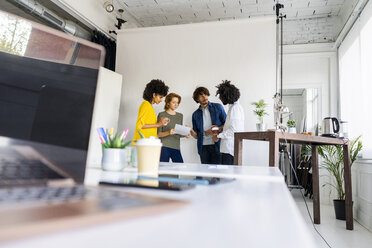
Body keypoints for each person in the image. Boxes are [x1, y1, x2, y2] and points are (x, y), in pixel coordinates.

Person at [190, 86, 226, 164]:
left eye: (206, 94)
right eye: (201, 95)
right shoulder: (195, 114)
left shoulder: (218, 107)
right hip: (203, 147)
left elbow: (226, 125)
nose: (204, 97)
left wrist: (216, 129)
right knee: (205, 172)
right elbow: (196, 136)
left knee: (216, 172)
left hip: (217, 144)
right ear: (197, 99)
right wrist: (191, 131)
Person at [212, 80, 244, 165]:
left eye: (221, 96)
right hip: (229, 149)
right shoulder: (234, 107)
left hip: (230, 150)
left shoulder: (235, 109)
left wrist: (218, 136)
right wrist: (221, 128)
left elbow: (234, 130)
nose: (220, 98)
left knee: (227, 177)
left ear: (226, 96)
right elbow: (232, 126)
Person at [157, 93, 189, 163]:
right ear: (168, 103)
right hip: (164, 146)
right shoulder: (161, 115)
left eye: (177, 103)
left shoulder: (180, 116)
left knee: (179, 168)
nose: (176, 104)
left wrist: (185, 135)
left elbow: (178, 133)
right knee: (163, 170)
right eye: (173, 102)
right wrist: (168, 132)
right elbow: (158, 134)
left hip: (176, 146)